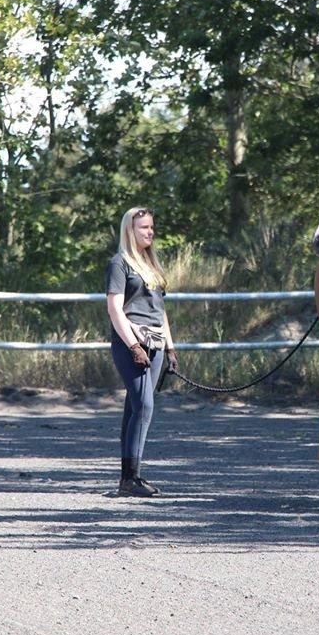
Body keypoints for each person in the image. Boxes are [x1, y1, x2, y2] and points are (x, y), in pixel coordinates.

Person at [105, 207, 178, 497]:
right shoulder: (119, 264)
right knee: (144, 406)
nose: (149, 232)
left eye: (151, 227)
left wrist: (170, 347)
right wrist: (133, 345)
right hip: (131, 343)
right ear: (129, 230)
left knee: (135, 407)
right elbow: (114, 307)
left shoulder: (152, 267)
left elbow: (161, 312)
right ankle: (131, 479)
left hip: (156, 342)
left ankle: (127, 477)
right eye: (143, 228)